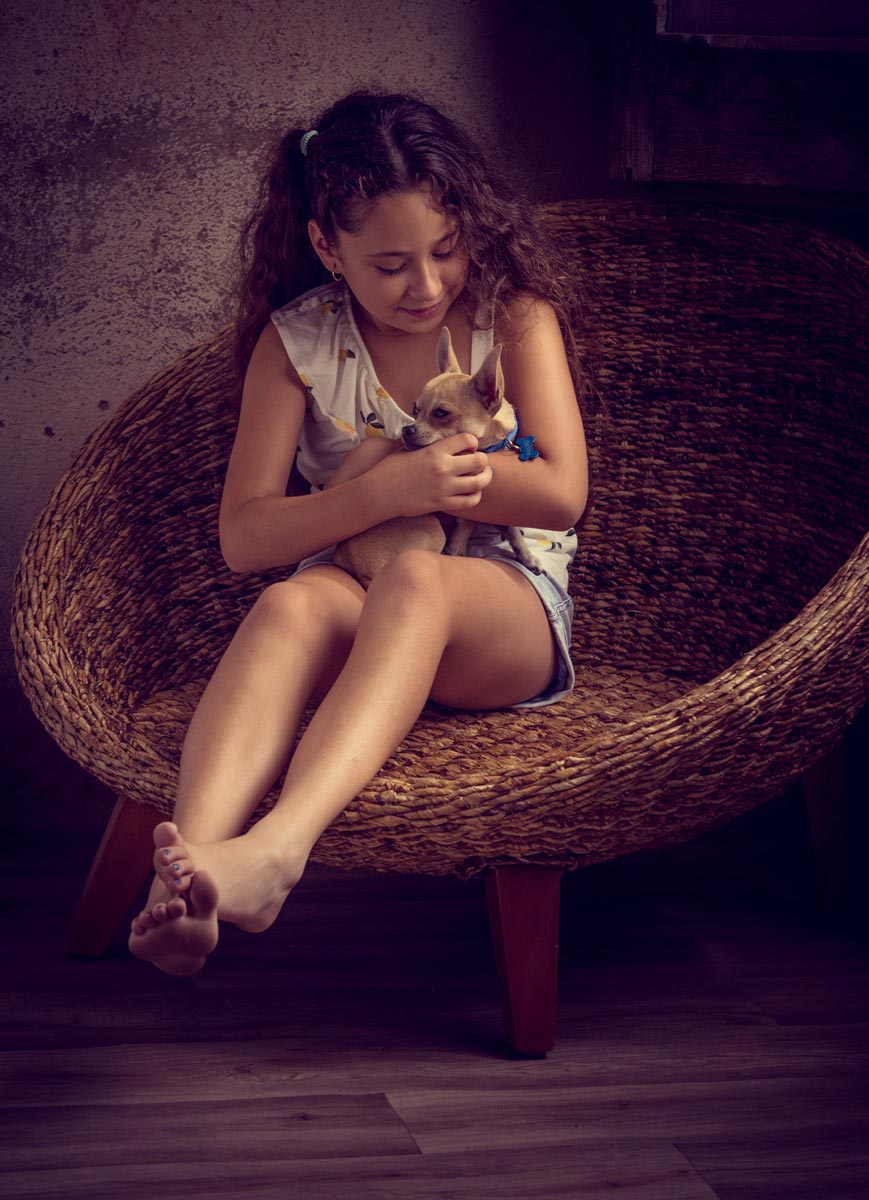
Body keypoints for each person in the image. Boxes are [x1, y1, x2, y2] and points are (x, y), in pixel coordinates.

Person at [128, 92, 589, 976]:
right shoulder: (296, 346)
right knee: (288, 604)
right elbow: (245, 538)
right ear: (325, 248)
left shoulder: (512, 319)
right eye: (390, 265)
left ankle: (277, 852)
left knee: (416, 581)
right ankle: (187, 882)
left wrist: (439, 479)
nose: (427, 286)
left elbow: (562, 494)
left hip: (502, 608)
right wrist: (385, 492)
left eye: (445, 250)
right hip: (355, 585)